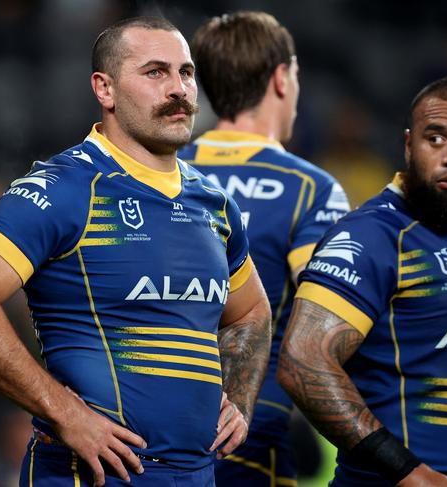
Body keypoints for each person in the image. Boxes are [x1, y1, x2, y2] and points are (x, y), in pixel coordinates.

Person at [0, 16, 272, 487]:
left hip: (197, 477)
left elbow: (251, 311)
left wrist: (239, 397)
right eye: (155, 72)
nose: (179, 89)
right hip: (88, 475)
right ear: (104, 89)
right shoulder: (65, 188)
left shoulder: (213, 203)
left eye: (186, 73)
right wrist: (64, 412)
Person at [178, 11, 349, 486]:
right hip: (250, 429)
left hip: (150, 421)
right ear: (280, 78)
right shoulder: (310, 189)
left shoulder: (163, 174)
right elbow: (332, 315)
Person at [277, 76, 447, 486]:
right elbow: (302, 361)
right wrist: (407, 472)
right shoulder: (372, 236)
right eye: (436, 139)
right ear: (407, 146)